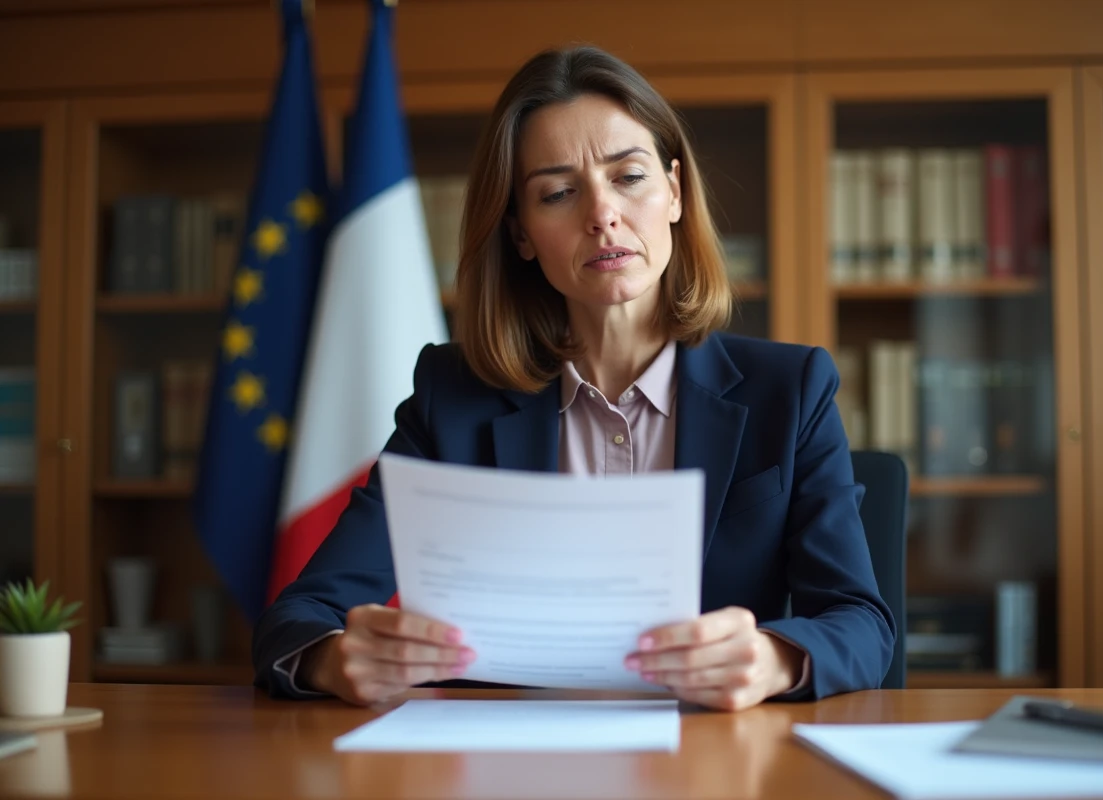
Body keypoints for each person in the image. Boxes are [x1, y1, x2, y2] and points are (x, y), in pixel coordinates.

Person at [252, 45, 895, 711]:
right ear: (521, 234)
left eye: (630, 177)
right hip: (508, 750)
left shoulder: (790, 390)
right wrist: (332, 658)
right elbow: (296, 619)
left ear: (675, 192)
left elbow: (861, 624)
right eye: (558, 193)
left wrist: (771, 659)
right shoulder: (454, 398)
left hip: (708, 748)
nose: (602, 214)